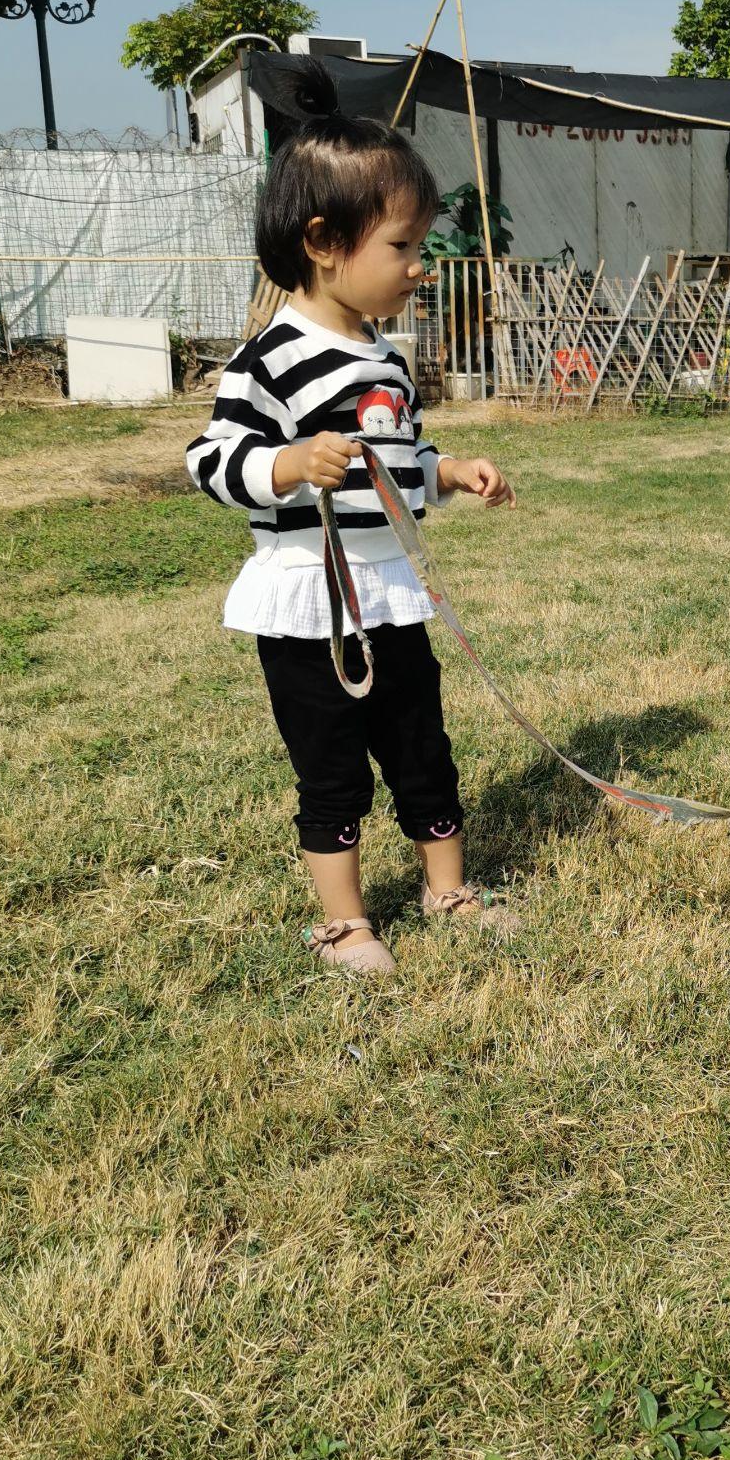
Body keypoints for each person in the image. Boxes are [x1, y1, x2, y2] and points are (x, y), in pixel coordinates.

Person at [185, 56, 516, 976]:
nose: (420, 266)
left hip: (390, 592)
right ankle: (345, 922)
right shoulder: (271, 360)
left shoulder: (389, 362)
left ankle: (446, 888)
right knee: (330, 766)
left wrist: (448, 472)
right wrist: (287, 464)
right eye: (403, 248)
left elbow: (399, 457)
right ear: (327, 243)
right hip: (308, 603)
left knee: (423, 747)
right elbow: (210, 460)